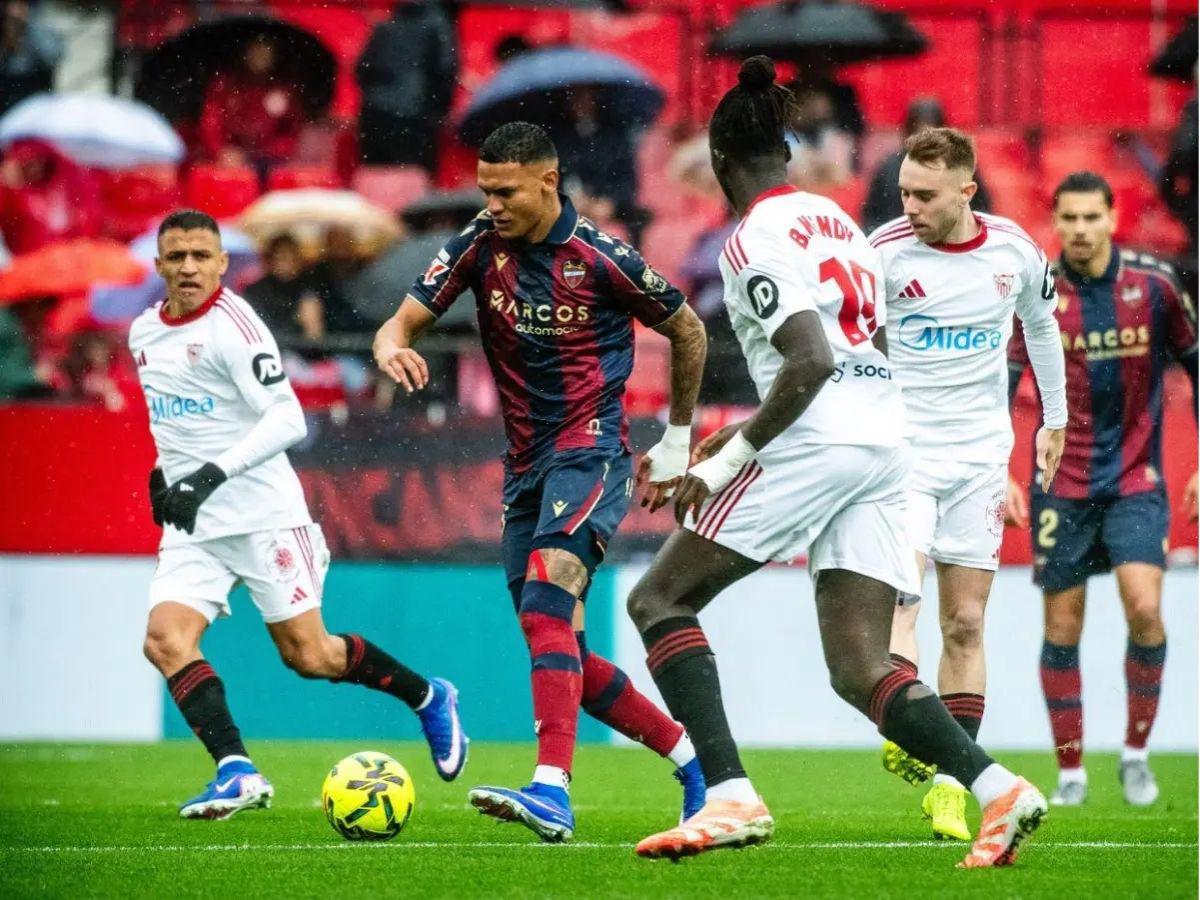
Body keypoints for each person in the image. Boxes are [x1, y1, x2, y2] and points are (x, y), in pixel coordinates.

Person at [627, 57, 1047, 867]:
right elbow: (863, 348)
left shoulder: (751, 237)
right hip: (885, 438)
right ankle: (999, 790)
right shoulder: (838, 221)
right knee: (861, 668)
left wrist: (725, 461)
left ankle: (729, 797)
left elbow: (811, 360)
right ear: (783, 155)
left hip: (819, 437)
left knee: (659, 600)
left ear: (720, 163)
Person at [372, 122, 710, 843]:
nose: (491, 203)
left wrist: (679, 442)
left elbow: (689, 330)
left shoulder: (601, 257)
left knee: (549, 589)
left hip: (590, 450)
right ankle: (692, 761)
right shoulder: (475, 246)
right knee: (559, 646)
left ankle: (552, 790)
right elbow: (396, 325)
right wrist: (393, 345)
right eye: (485, 189)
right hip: (525, 466)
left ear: (548, 182)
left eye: (505, 191)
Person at [130, 209, 468, 820]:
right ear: (159, 264)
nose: (187, 267)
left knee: (310, 657)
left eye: (200, 256)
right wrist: (163, 475)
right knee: (164, 641)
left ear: (221, 264)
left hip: (263, 514)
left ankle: (429, 696)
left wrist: (208, 476)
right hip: (197, 527)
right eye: (175, 256)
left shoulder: (236, 326)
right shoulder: (144, 334)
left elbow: (288, 418)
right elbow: (175, 423)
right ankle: (235, 770)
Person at [872, 127, 1067, 842]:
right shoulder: (884, 255)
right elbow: (849, 344)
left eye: (925, 195)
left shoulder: (1013, 250)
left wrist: (1055, 420)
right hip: (904, 454)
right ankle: (901, 719)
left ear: (966, 190)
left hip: (982, 457)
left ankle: (951, 787)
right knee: (903, 594)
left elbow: (1042, 329)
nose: (911, 206)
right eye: (904, 193)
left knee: (966, 622)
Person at [1007, 171, 1198, 808]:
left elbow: (1196, 367)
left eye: (1092, 217)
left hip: (1138, 478)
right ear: (1055, 222)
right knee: (1063, 627)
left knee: (1145, 608)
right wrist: (999, 470)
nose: (1081, 230)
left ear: (1113, 217)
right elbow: (1001, 385)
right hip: (1059, 483)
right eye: (1070, 218)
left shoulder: (1156, 286)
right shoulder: (1035, 291)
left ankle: (1136, 756)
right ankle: (1070, 772)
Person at [861, 98, 993, 234]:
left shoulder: (960, 167)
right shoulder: (888, 169)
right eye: (919, 134)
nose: (924, 143)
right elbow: (871, 220)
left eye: (931, 135)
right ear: (908, 132)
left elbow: (980, 215)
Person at [355, 0, 457, 172]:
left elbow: (362, 69)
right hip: (415, 114)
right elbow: (445, 70)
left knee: (376, 173)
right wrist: (440, 110)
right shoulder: (439, 26)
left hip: (374, 112)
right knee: (413, 175)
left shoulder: (385, 27)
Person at [198, 34, 303, 181]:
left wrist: (264, 154)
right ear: (245, 52)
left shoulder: (283, 88)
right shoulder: (226, 84)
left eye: (266, 49)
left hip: (268, 164)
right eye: (256, 49)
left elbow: (291, 131)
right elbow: (211, 122)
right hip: (228, 162)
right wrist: (221, 150)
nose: (261, 54)